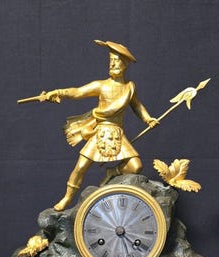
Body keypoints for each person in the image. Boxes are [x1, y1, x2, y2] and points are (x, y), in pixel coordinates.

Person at [43, 40, 158, 211]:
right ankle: (67, 198)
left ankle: (113, 172)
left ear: (125, 64)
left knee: (136, 166)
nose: (112, 64)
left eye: (116, 61)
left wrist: (148, 119)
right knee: (81, 166)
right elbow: (77, 92)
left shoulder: (129, 88)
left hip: (117, 133)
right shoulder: (101, 85)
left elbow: (137, 106)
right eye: (111, 60)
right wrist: (58, 92)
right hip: (99, 131)